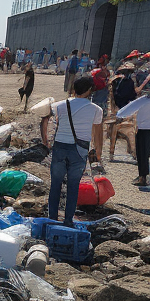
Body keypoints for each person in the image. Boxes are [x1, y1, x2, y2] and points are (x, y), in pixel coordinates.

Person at [40, 76, 104, 225]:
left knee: (55, 184)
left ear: (74, 89)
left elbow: (44, 119)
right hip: (80, 150)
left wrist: (45, 141)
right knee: (73, 186)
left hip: (60, 147)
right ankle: (68, 220)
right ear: (89, 90)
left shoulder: (59, 105)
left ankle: (52, 219)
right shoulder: (96, 109)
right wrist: (98, 152)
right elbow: (98, 133)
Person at [116, 83, 150, 186]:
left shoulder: (144, 100)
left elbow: (124, 111)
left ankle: (142, 178)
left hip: (145, 130)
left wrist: (119, 116)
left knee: (142, 154)